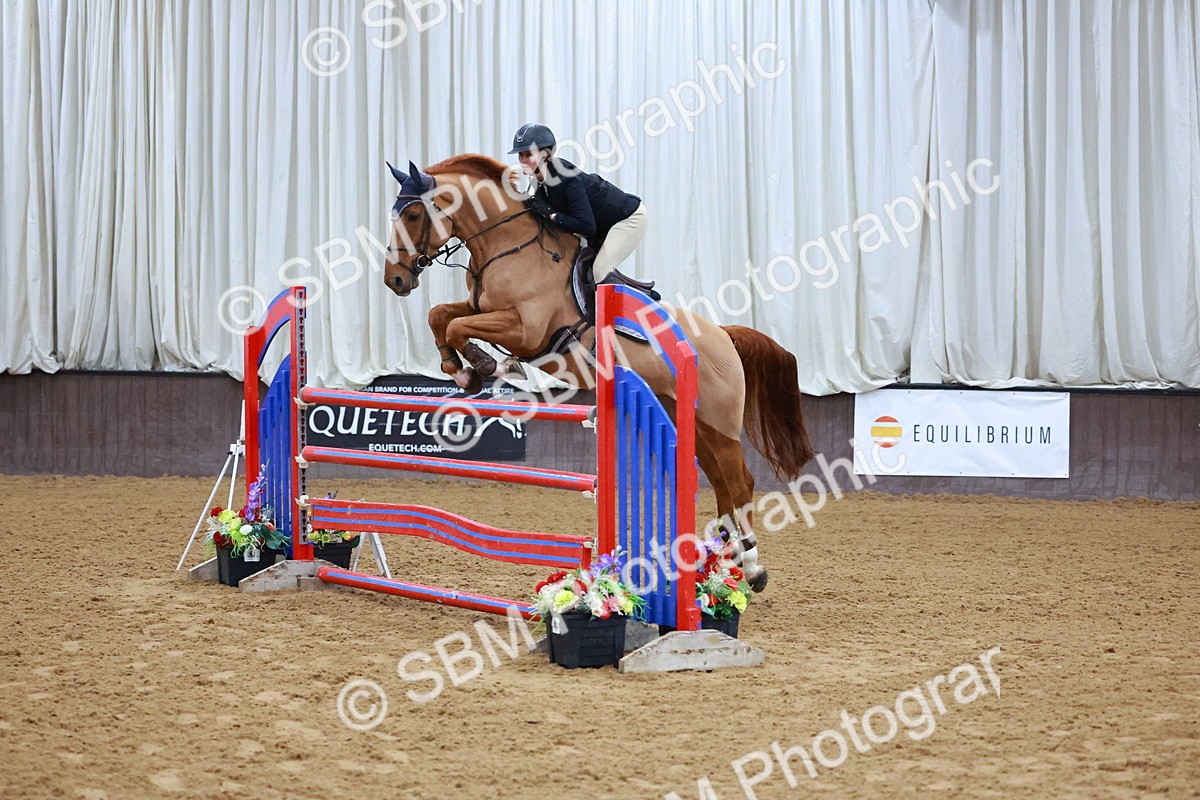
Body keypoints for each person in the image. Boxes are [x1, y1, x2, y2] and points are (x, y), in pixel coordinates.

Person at [508, 123, 652, 289]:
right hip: (601, 223)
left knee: (600, 271)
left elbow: (586, 226)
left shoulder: (568, 180)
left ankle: (633, 307)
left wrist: (550, 214)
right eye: (520, 155)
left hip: (629, 219)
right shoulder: (536, 179)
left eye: (528, 154)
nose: (522, 160)